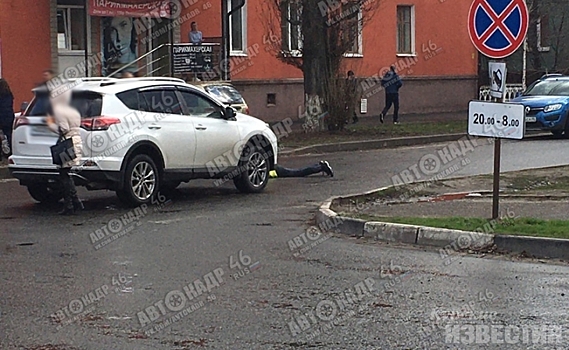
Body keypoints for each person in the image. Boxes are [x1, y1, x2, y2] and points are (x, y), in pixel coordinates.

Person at [46, 87, 84, 215]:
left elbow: (64, 128)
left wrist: (50, 125)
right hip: (76, 141)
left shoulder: (59, 110)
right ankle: (76, 202)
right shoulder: (73, 110)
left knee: (64, 174)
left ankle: (70, 205)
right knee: (66, 173)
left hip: (67, 143)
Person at [269, 161, 334, 178]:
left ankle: (320, 167)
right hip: (275, 170)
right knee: (299, 171)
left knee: (298, 172)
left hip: (276, 171)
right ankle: (319, 166)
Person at [0, 79, 15, 154]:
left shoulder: (1, 96)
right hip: (9, 116)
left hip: (1, 116)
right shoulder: (9, 94)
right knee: (9, 134)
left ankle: (2, 152)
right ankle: (11, 150)